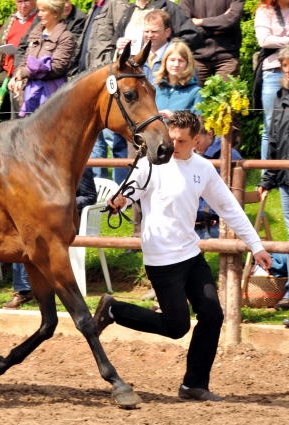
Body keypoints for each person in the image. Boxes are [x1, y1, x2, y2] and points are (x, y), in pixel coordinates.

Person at [96, 111, 272, 402]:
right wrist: (117, 201)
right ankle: (115, 310)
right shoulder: (150, 163)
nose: (173, 143)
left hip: (190, 254)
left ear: (197, 141)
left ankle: (194, 385)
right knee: (176, 327)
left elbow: (228, 206)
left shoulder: (202, 168)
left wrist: (257, 246)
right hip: (162, 258)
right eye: (171, 137)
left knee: (213, 315)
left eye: (181, 140)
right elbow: (128, 191)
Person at [0, 167, 98, 308]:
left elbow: (90, 197)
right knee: (9, 233)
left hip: (65, 224)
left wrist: (59, 206)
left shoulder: (81, 168)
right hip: (42, 221)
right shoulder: (48, 166)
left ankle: (22, 290)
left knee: (25, 242)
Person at [75, 0, 130, 185]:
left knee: (114, 137)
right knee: (95, 138)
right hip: (90, 79)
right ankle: (99, 185)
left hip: (107, 78)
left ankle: (120, 187)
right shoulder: (95, 6)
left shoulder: (117, 3)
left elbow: (122, 38)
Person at [258, 45, 289, 311]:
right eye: (284, 66)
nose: (287, 71)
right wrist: (268, 178)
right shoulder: (280, 96)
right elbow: (275, 139)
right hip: (286, 179)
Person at [11, 0, 75, 117]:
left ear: (55, 13)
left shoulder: (66, 37)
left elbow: (57, 68)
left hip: (50, 93)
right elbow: (25, 58)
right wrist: (18, 77)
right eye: (39, 10)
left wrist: (26, 73)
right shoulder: (36, 32)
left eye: (43, 11)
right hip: (28, 88)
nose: (39, 14)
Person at [193, 120, 242, 239]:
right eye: (191, 142)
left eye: (197, 141)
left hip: (216, 222)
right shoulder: (190, 154)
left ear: (209, 134)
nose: (194, 146)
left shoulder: (230, 156)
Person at [179, 0, 244, 85]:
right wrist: (216, 28)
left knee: (225, 96)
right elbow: (185, 25)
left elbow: (231, 19)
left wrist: (200, 22)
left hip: (227, 57)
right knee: (195, 96)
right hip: (196, 58)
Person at [255, 0, 289, 160]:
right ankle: (265, 177)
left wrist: (280, 39)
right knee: (270, 126)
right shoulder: (264, 10)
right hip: (273, 72)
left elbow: (271, 39)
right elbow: (264, 40)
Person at [114, 0, 203, 56]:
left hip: (159, 70)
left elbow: (192, 35)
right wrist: (118, 45)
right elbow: (115, 41)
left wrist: (169, 51)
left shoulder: (169, 8)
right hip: (132, 69)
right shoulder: (129, 11)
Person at [154, 40, 203, 119]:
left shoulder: (196, 92)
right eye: (172, 60)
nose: (176, 64)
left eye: (181, 61)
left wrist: (174, 116)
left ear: (188, 64)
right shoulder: (155, 89)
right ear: (165, 61)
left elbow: (198, 124)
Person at [141, 9, 173, 83]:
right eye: (146, 31)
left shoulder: (176, 57)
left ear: (167, 32)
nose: (149, 35)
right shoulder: (138, 57)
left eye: (154, 31)